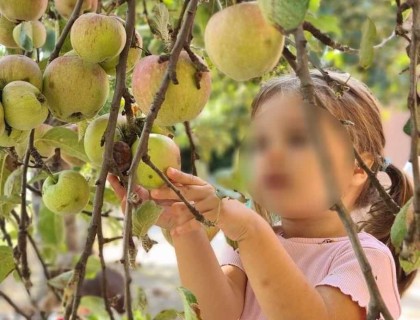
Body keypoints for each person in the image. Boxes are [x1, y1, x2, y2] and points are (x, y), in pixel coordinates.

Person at [108, 70, 417, 320]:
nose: (271, 155)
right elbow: (217, 315)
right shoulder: (247, 246)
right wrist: (184, 226)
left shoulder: (366, 259)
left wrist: (251, 230)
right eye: (259, 144)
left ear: (358, 167)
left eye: (297, 139)